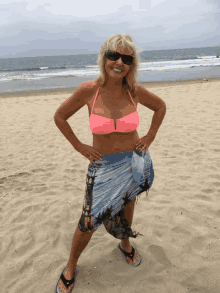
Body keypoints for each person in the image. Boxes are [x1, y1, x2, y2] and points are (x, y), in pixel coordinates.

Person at [54, 33, 166, 293]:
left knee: (128, 206)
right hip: (103, 166)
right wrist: (79, 146)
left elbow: (160, 106)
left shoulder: (134, 91)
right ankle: (71, 265)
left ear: (132, 64)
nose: (119, 62)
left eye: (126, 58)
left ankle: (125, 244)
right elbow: (60, 116)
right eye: (113, 55)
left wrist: (150, 136)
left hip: (133, 164)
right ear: (103, 58)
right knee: (88, 221)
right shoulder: (88, 91)